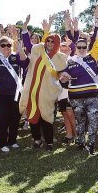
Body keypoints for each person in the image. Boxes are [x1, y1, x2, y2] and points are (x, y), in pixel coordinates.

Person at [59, 6, 98, 155]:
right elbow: (64, 76)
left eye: (84, 46)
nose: (81, 48)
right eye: (79, 47)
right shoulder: (70, 60)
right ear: (75, 48)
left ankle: (91, 144)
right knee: (80, 121)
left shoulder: (93, 57)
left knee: (92, 120)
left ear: (87, 46)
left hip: (92, 96)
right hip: (76, 97)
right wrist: (64, 76)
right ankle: (81, 141)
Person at [19, 23, 68, 151]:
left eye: (53, 41)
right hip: (32, 91)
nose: (50, 43)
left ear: (57, 44)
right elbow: (28, 44)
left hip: (47, 93)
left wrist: (64, 76)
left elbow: (62, 73)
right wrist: (24, 29)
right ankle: (37, 140)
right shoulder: (37, 51)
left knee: (47, 117)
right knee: (33, 117)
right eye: (48, 41)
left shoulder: (60, 58)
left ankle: (49, 142)